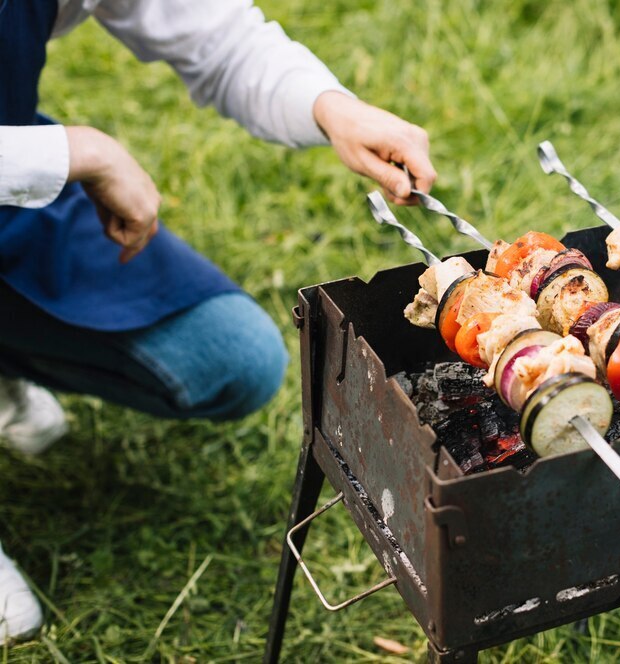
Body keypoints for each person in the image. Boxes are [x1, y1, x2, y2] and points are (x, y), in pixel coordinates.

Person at [0, 0, 437, 642]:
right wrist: (80, 151)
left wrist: (332, 109)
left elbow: (214, 37)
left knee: (230, 359)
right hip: (34, 161)